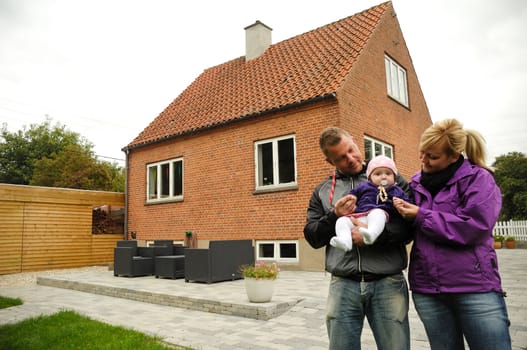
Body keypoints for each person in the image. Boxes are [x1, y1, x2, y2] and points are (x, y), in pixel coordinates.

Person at [393, 118, 511, 350]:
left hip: (474, 289)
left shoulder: (480, 179)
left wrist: (420, 215)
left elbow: (474, 227)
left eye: (432, 156)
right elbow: (406, 230)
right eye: (422, 153)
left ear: (454, 156)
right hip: (428, 291)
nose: (423, 161)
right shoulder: (415, 184)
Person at [304, 126, 413, 350]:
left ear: (354, 141)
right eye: (341, 158)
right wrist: (335, 216)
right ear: (329, 161)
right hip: (343, 284)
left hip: (388, 280)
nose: (351, 159)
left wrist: (374, 237)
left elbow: (410, 228)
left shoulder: (388, 176)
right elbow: (312, 236)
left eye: (351, 150)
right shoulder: (322, 190)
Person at [331, 155, 411, 251]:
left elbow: (408, 203)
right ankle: (345, 241)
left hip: (380, 217)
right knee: (342, 221)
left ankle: (371, 234)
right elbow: (353, 194)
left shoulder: (396, 190)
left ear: (394, 177)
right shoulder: (364, 186)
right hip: (360, 215)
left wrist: (400, 204)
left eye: (388, 173)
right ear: (370, 177)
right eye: (378, 174)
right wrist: (350, 200)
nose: (383, 176)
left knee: (377, 212)